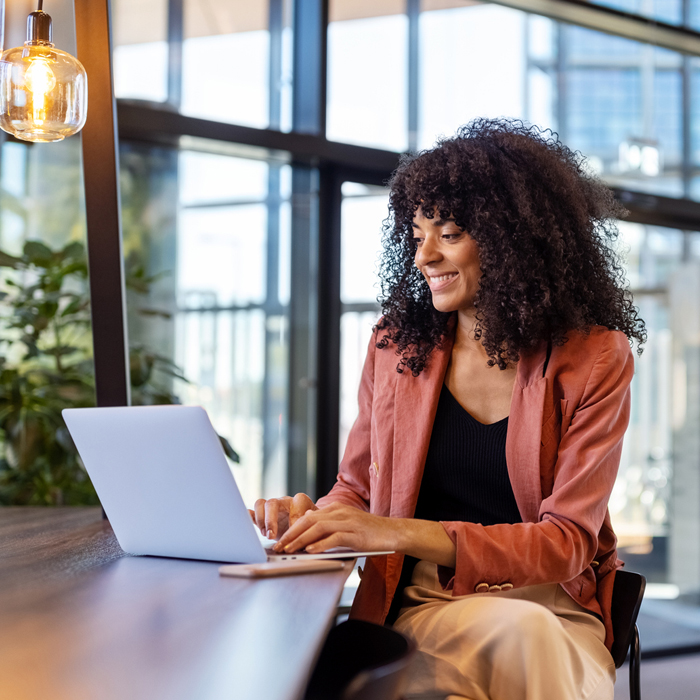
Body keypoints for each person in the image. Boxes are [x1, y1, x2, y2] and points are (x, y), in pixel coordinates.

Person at [251, 119, 646, 700]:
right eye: (416, 236)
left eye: (449, 233)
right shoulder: (395, 346)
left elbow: (567, 542)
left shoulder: (593, 355)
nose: (424, 255)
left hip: (548, 605)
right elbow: (355, 490)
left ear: (513, 239)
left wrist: (393, 530)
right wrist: (314, 519)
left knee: (527, 631)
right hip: (423, 601)